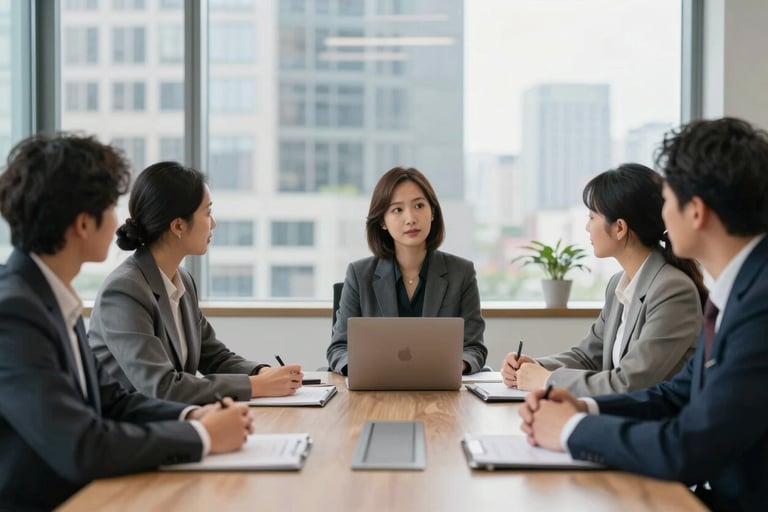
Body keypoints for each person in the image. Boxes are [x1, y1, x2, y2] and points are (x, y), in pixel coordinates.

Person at [519, 117, 768, 512]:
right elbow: (675, 395)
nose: (662, 218)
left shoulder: (758, 303)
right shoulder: (737, 291)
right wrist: (584, 407)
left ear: (697, 212)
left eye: (667, 200)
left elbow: (689, 446)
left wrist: (571, 428)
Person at [0, 133, 252, 510]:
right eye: (111, 206)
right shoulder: (14, 312)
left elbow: (113, 402)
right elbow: (81, 445)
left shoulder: (48, 296)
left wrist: (194, 413)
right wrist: (200, 435)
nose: (121, 220)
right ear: (83, 223)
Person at [88, 161, 303, 405]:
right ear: (178, 225)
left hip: (170, 422)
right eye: (208, 213)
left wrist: (261, 373)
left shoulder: (183, 281)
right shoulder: (125, 290)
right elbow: (161, 387)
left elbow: (215, 357)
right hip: (128, 431)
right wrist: (255, 386)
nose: (213, 223)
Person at [501, 164, 707, 395]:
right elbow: (589, 357)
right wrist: (534, 367)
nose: (587, 227)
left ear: (619, 228)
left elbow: (629, 383)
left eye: (592, 217)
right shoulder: (619, 284)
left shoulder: (672, 290)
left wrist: (548, 379)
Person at [327, 166, 487, 375]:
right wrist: (361, 370)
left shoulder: (461, 272)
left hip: (440, 391)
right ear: (382, 221)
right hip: (376, 391)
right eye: (397, 209)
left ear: (433, 213)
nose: (410, 218)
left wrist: (457, 365)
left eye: (419, 205)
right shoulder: (359, 274)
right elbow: (338, 348)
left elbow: (474, 348)